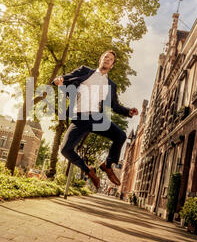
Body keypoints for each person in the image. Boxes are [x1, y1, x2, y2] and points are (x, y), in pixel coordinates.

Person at [53, 50, 138, 189]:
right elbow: (64, 78)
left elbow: (114, 105)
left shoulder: (111, 85)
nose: (107, 59)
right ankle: (88, 170)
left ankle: (107, 165)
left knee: (120, 135)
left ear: (112, 65)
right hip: (80, 118)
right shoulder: (84, 71)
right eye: (105, 57)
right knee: (65, 150)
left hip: (96, 118)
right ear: (100, 59)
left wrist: (128, 111)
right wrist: (59, 81)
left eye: (110, 59)